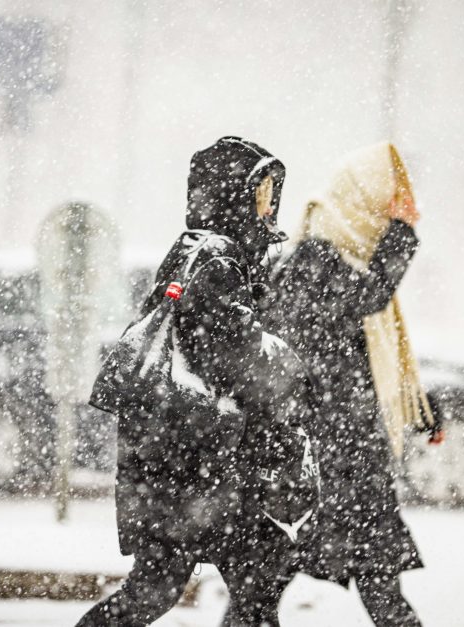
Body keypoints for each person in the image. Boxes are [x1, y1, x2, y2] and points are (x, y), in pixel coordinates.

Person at [78, 136, 317, 627]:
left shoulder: (208, 253)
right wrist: (292, 366)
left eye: (274, 191)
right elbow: (234, 357)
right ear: (235, 193)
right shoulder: (217, 259)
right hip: (193, 470)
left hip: (182, 464)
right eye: (262, 191)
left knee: (180, 586)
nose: (270, 204)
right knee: (236, 579)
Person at [270, 142, 439, 626]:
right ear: (364, 200)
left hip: (347, 458)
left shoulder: (342, 257)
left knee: (376, 582)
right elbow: (361, 303)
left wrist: (422, 409)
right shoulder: (314, 259)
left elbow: (362, 356)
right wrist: (402, 237)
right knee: (264, 585)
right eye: (393, 200)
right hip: (319, 462)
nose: (403, 211)